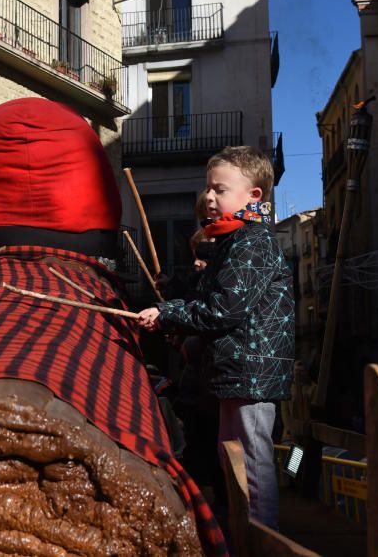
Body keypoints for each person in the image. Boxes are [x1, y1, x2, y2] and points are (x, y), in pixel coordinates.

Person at [138, 145, 294, 528]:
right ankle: (241, 533)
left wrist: (168, 314)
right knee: (232, 462)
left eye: (220, 189)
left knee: (253, 465)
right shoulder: (232, 243)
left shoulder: (253, 242)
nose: (208, 196)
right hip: (233, 373)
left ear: (253, 196)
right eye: (208, 188)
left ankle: (261, 540)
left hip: (252, 375)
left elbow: (225, 307)